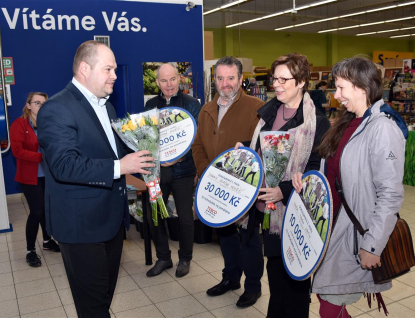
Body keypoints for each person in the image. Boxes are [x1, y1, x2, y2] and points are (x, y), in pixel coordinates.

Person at [37, 40, 155, 318]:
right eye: (108, 69)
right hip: (80, 226)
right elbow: (64, 165)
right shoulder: (56, 108)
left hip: (111, 221)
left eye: (114, 69)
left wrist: (149, 153)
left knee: (102, 298)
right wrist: (120, 166)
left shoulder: (107, 107)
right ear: (84, 69)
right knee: (92, 307)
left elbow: (113, 151)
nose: (114, 75)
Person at [292, 56, 407, 318]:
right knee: (327, 296)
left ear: (362, 87)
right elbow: (332, 171)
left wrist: (373, 246)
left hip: (355, 234)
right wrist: (307, 179)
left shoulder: (382, 128)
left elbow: (390, 195)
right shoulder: (347, 122)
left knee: (330, 305)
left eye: (342, 88)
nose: (336, 95)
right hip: (331, 226)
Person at [236, 53, 330, 318]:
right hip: (266, 209)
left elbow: (314, 167)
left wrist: (283, 190)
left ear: (301, 81)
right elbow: (264, 149)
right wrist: (245, 148)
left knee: (296, 280)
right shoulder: (269, 113)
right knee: (276, 274)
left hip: (294, 211)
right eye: (274, 78)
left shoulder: (316, 122)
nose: (276, 84)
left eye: (283, 79)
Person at [191, 56, 265, 308]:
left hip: (243, 190)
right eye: (220, 78)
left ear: (241, 79)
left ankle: (253, 286)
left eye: (230, 78)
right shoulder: (207, 109)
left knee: (249, 239)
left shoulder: (257, 108)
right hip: (215, 189)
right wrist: (205, 173)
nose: (225, 84)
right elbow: (198, 145)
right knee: (225, 237)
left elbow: (263, 148)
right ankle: (231, 278)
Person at [144, 63, 201, 278]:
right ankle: (164, 258)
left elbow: (197, 139)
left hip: (184, 171)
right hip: (158, 173)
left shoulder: (191, 104)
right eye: (164, 80)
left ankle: (185, 259)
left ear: (179, 79)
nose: (169, 85)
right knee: (155, 215)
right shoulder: (150, 105)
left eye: (173, 79)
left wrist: (178, 157)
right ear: (158, 82)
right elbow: (146, 136)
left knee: (185, 218)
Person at [10, 92, 60, 268]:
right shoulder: (19, 124)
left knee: (46, 210)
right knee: (37, 211)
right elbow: (16, 150)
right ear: (29, 105)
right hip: (30, 176)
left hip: (48, 175)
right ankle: (30, 250)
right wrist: (41, 156)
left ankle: (47, 241)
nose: (40, 106)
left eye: (43, 103)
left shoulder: (48, 124)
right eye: (37, 103)